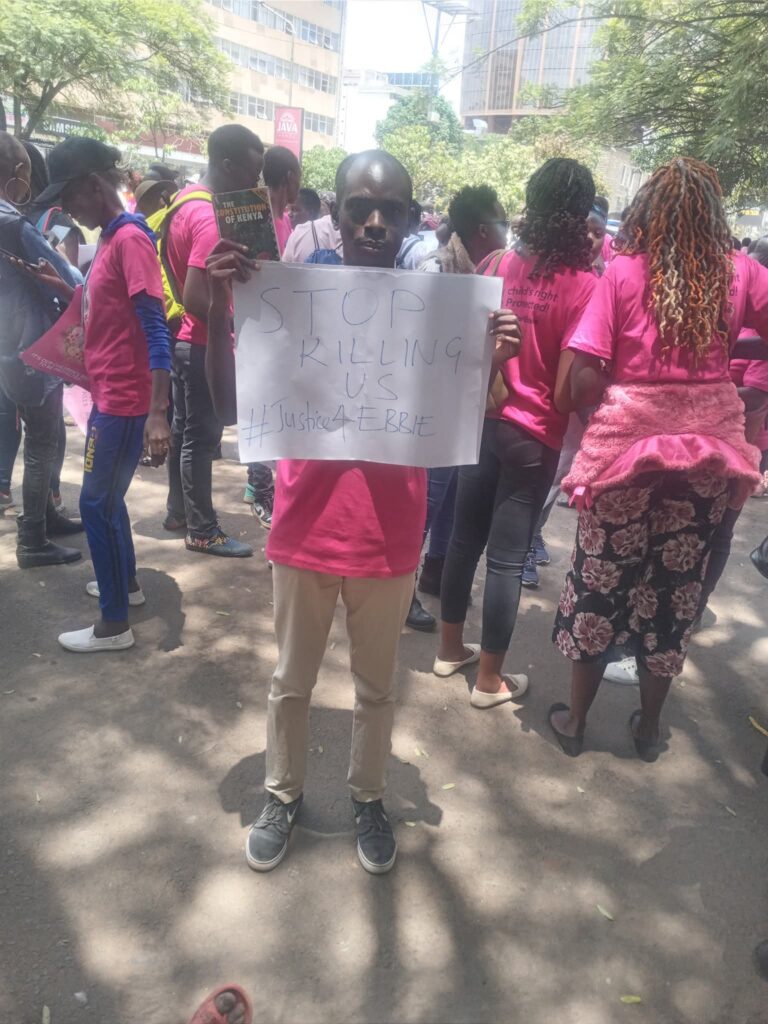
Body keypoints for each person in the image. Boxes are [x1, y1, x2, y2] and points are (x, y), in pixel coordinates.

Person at [205, 150, 461, 875]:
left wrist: (488, 361)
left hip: (390, 535)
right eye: (359, 207)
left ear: (412, 220)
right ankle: (281, 795)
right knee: (291, 682)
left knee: (377, 688)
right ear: (336, 215)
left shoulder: (436, 319)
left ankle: (369, 796)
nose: (375, 222)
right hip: (305, 529)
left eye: (391, 211)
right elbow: (232, 406)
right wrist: (227, 303)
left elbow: (469, 420)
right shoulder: (285, 301)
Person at [549, 157, 768, 760]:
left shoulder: (623, 274)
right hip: (709, 454)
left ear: (648, 213)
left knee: (601, 580)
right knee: (674, 588)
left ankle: (576, 723)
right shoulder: (741, 272)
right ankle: (647, 730)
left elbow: (588, 369)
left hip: (627, 451)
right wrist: (746, 389)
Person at [435, 158, 598, 709]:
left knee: (462, 540)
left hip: (481, 419)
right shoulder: (585, 286)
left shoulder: (498, 262)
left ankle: (448, 649)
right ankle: (489, 683)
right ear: (580, 217)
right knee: (506, 559)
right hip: (534, 436)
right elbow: (562, 393)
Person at [27, 137, 173, 652]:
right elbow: (110, 305)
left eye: (70, 199)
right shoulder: (113, 237)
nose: (68, 210)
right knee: (105, 501)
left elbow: (156, 328)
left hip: (125, 404)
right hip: (111, 395)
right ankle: (125, 585)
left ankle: (113, 624)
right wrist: (68, 287)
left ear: (94, 185)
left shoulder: (130, 239)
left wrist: (159, 413)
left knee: (95, 503)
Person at [164, 124, 264, 555]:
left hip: (188, 341)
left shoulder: (185, 200)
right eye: (252, 173)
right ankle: (203, 530)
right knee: (201, 439)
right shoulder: (209, 216)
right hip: (204, 343)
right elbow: (194, 294)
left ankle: (179, 512)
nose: (255, 185)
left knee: (186, 431)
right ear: (227, 165)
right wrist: (226, 325)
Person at [411, 185, 508, 627]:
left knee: (450, 494)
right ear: (485, 229)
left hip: (462, 404)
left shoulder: (483, 272)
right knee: (427, 500)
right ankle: (404, 586)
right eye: (504, 222)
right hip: (431, 405)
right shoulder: (438, 269)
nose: (509, 232)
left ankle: (437, 571)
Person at [0, 132, 83, 568]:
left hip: (7, 346)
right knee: (40, 443)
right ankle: (32, 538)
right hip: (31, 346)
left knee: (36, 438)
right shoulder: (14, 224)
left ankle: (44, 516)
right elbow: (70, 275)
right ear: (19, 173)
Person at [262, 145, 300, 256]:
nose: (299, 185)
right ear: (290, 177)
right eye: (299, 178)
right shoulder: (263, 226)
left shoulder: (286, 220)